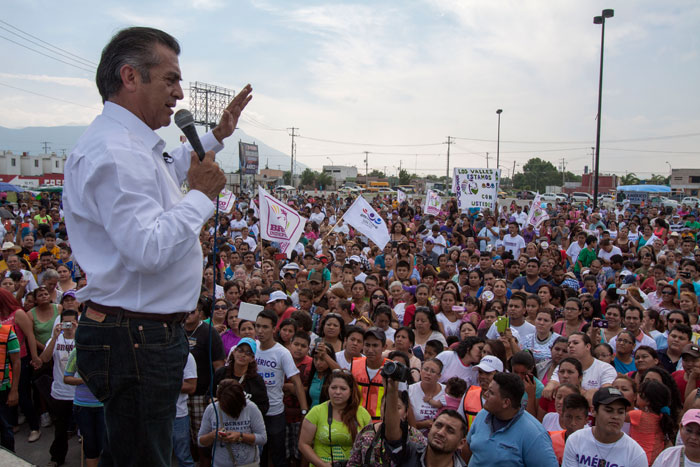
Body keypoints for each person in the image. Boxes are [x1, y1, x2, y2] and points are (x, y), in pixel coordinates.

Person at [64, 26, 253, 466]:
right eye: (169, 79)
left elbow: (169, 165)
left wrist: (218, 135)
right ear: (131, 77)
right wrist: (202, 197)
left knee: (131, 451)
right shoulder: (115, 151)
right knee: (145, 457)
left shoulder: (130, 145)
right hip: (135, 338)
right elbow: (146, 250)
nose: (180, 92)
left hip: (137, 334)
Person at [464, 372, 558, 465]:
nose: (486, 394)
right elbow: (467, 450)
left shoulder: (535, 434)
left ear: (506, 402)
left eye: (491, 393)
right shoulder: (482, 414)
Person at [255, 309, 309, 467]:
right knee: (258, 455)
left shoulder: (282, 353)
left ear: (274, 329)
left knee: (278, 454)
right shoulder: (252, 346)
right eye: (257, 326)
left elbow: (297, 382)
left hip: (275, 411)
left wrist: (304, 411)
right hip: (254, 411)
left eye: (265, 327)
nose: (260, 330)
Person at [383, 376, 467, 467]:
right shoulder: (409, 453)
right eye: (438, 425)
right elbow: (393, 437)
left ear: (461, 443)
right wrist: (392, 391)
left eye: (450, 430)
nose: (441, 432)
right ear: (431, 427)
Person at [298, 370, 371, 466]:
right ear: (328, 389)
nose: (337, 392)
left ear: (351, 391)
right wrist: (322, 465)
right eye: (333, 387)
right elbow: (303, 444)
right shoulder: (316, 412)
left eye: (343, 389)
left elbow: (370, 445)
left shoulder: (362, 414)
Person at [562, 387, 647, 467]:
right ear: (593, 411)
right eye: (609, 410)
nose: (615, 416)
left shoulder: (636, 454)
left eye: (620, 412)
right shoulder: (575, 440)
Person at [39, 310, 78, 467]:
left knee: (87, 429)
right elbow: (45, 359)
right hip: (60, 393)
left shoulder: (82, 338)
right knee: (60, 429)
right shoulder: (55, 339)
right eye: (65, 323)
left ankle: (90, 458)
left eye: (72, 323)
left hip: (79, 393)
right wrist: (55, 337)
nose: (68, 326)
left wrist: (78, 332)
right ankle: (56, 458)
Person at [197, 379, 267, 467]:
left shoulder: (251, 408)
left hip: (248, 464)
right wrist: (212, 436)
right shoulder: (212, 409)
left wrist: (240, 436)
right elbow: (200, 441)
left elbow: (263, 438)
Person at [63, 347, 109, 467]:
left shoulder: (108, 351)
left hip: (102, 405)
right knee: (90, 447)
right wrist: (84, 381)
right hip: (82, 406)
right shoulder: (77, 352)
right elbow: (67, 377)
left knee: (104, 446)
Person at [351, 327, 388, 421]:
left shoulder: (391, 369)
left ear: (384, 347)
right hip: (355, 420)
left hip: (380, 423)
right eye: (367, 345)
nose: (370, 350)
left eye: (375, 345)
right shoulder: (354, 365)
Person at [458, 355, 503, 431]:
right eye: (480, 372)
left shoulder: (505, 400)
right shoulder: (469, 394)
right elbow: (459, 423)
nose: (482, 376)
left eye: (487, 373)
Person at [0, 318, 20, 452]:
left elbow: (16, 362)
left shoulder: (8, 333)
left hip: (3, 389)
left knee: (5, 426)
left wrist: (14, 390)